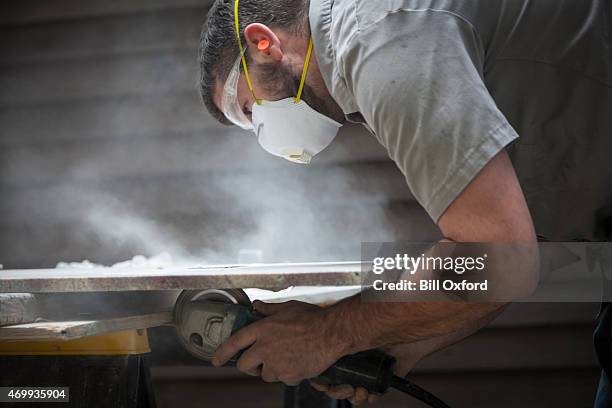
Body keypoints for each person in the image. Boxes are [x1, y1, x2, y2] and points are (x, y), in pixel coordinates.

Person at [198, 0, 612, 405]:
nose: (260, 132)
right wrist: (398, 340)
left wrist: (324, 334)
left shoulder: (382, 42)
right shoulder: (377, 40)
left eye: (249, 111)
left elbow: (500, 256)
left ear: (263, 43)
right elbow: (524, 247)